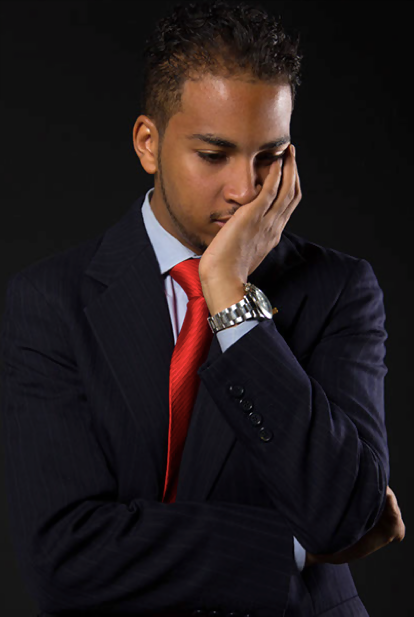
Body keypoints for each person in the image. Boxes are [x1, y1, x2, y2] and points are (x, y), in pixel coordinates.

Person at [0, 1, 405, 616]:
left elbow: (347, 518)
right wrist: (289, 547)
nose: (246, 189)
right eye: (214, 156)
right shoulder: (48, 304)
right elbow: (63, 555)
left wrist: (229, 294)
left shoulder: (339, 290)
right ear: (148, 143)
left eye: (270, 156)